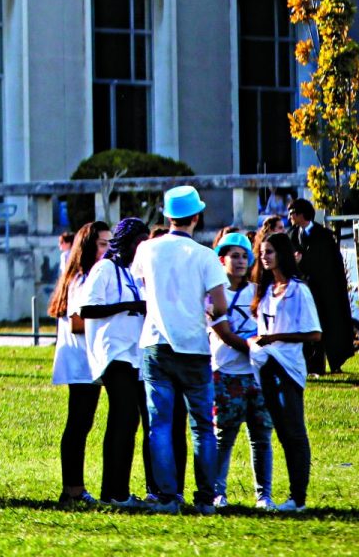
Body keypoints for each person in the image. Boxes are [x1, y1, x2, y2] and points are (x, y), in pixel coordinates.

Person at [133, 185, 231, 514]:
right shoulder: (205, 256)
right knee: (203, 425)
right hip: (195, 348)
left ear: (168, 216)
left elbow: (143, 286)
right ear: (196, 216)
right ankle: (205, 499)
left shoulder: (147, 250)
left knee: (159, 424)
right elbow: (220, 306)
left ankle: (167, 496)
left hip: (156, 344)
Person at [81, 217, 150, 507]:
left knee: (131, 420)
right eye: (138, 241)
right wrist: (129, 306)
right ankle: (112, 492)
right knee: (123, 416)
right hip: (113, 353)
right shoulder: (105, 268)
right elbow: (87, 308)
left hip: (135, 354)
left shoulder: (137, 272)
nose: (142, 247)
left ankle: (118, 489)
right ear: (125, 242)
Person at [253, 231, 321, 512]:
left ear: (281, 253)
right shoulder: (266, 290)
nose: (264, 257)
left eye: (269, 252)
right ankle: (293, 496)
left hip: (288, 368)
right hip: (266, 366)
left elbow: (314, 333)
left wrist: (275, 338)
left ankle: (299, 498)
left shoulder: (298, 290)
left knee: (294, 433)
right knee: (280, 433)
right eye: (262, 252)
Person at [208, 233, 273, 510]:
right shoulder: (214, 294)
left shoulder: (259, 292)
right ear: (221, 260)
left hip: (256, 375)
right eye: (234, 256)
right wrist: (252, 346)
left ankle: (264, 495)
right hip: (225, 372)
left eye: (245, 256)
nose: (240, 261)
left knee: (261, 437)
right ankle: (217, 491)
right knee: (224, 436)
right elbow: (221, 331)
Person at [50, 222, 109, 505]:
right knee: (78, 424)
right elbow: (77, 323)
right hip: (81, 361)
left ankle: (74, 488)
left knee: (81, 423)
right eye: (102, 244)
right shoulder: (82, 279)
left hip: (86, 361)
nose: (108, 249)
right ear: (88, 247)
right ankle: (71, 489)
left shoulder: (85, 275)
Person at [285, 198, 353, 375]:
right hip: (304, 292)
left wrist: (304, 260)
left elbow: (326, 263)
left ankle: (335, 363)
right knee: (309, 329)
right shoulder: (291, 235)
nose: (289, 217)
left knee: (329, 327)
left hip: (324, 291)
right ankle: (314, 367)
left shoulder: (323, 235)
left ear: (301, 214)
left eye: (292, 213)